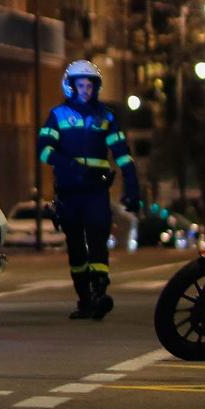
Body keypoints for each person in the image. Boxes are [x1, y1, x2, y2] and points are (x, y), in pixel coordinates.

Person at [37, 60, 141, 320]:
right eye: (81, 85)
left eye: (90, 85)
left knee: (97, 238)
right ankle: (84, 298)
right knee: (76, 246)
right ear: (70, 87)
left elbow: (123, 155)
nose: (86, 90)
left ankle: (100, 291)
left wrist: (133, 187)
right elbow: (44, 150)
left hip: (96, 191)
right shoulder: (58, 115)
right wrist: (70, 165)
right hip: (69, 192)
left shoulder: (105, 117)